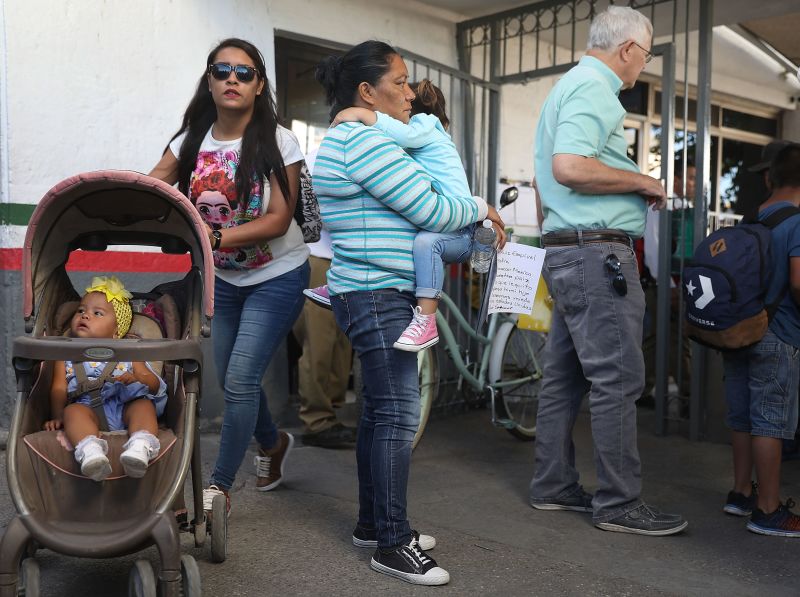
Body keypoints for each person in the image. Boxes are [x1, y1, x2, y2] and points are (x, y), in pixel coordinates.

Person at [314, 40, 504, 585]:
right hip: (378, 293)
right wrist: (482, 208)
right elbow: (432, 208)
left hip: (370, 289)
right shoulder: (362, 142)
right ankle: (393, 544)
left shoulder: (359, 136)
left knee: (379, 413)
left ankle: (374, 525)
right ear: (367, 91)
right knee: (397, 416)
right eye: (399, 82)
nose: (409, 93)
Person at [530, 6, 687, 536]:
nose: (643, 65)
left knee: (565, 377)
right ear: (627, 50)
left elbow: (550, 180)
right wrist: (642, 181)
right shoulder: (596, 89)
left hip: (567, 247)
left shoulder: (567, 88)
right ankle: (619, 503)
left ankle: (552, 485)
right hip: (597, 254)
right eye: (645, 54)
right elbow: (569, 167)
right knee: (618, 379)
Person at [149, 38, 310, 513]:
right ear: (210, 80)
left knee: (240, 378)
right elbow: (152, 185)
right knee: (239, 377)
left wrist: (213, 238)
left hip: (278, 273)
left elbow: (280, 218)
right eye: (222, 71)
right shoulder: (189, 141)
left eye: (243, 72)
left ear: (259, 85)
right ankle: (273, 443)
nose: (232, 79)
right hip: (222, 280)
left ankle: (218, 487)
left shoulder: (279, 141)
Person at [306, 79, 505, 352]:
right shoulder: (401, 147)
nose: (404, 101)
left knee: (426, 242)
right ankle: (343, 285)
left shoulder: (425, 126)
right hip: (451, 224)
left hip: (460, 228)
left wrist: (363, 114)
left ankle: (427, 319)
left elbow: (406, 139)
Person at [721, 143, 800, 537]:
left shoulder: (754, 217)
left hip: (739, 331)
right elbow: (799, 282)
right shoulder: (797, 222)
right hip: (778, 332)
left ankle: (740, 493)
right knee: (770, 421)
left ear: (772, 177)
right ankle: (768, 510)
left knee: (743, 416)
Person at [44, 276, 166, 482]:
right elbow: (58, 389)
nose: (85, 316)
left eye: (97, 313)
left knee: (144, 406)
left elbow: (152, 384)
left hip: (124, 405)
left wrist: (138, 378)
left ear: (117, 331)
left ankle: (140, 447)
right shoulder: (65, 353)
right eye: (81, 311)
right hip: (86, 410)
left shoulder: (129, 351)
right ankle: (91, 452)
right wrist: (57, 416)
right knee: (71, 411)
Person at [293, 148, 356, 448]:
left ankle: (330, 414)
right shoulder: (320, 155)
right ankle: (316, 420)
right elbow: (314, 210)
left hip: (349, 261)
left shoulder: (364, 151)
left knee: (343, 343)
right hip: (320, 259)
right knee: (319, 343)